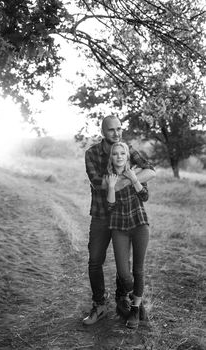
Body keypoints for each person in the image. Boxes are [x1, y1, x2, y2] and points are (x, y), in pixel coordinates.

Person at [83, 115, 155, 325]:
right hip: (101, 215)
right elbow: (99, 184)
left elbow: (150, 170)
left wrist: (124, 179)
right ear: (103, 132)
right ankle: (99, 305)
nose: (117, 133)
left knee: (126, 266)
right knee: (95, 261)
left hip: (123, 216)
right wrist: (129, 178)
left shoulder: (126, 148)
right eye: (112, 130)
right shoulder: (92, 153)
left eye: (119, 128)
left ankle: (124, 298)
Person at [105, 141, 150, 329]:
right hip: (119, 227)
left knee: (138, 270)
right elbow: (110, 207)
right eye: (115, 153)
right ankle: (134, 293)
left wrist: (134, 179)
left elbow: (145, 196)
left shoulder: (136, 172)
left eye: (122, 153)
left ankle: (135, 309)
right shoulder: (109, 177)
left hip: (139, 224)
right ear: (111, 157)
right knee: (124, 274)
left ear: (127, 156)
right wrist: (111, 187)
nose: (119, 156)